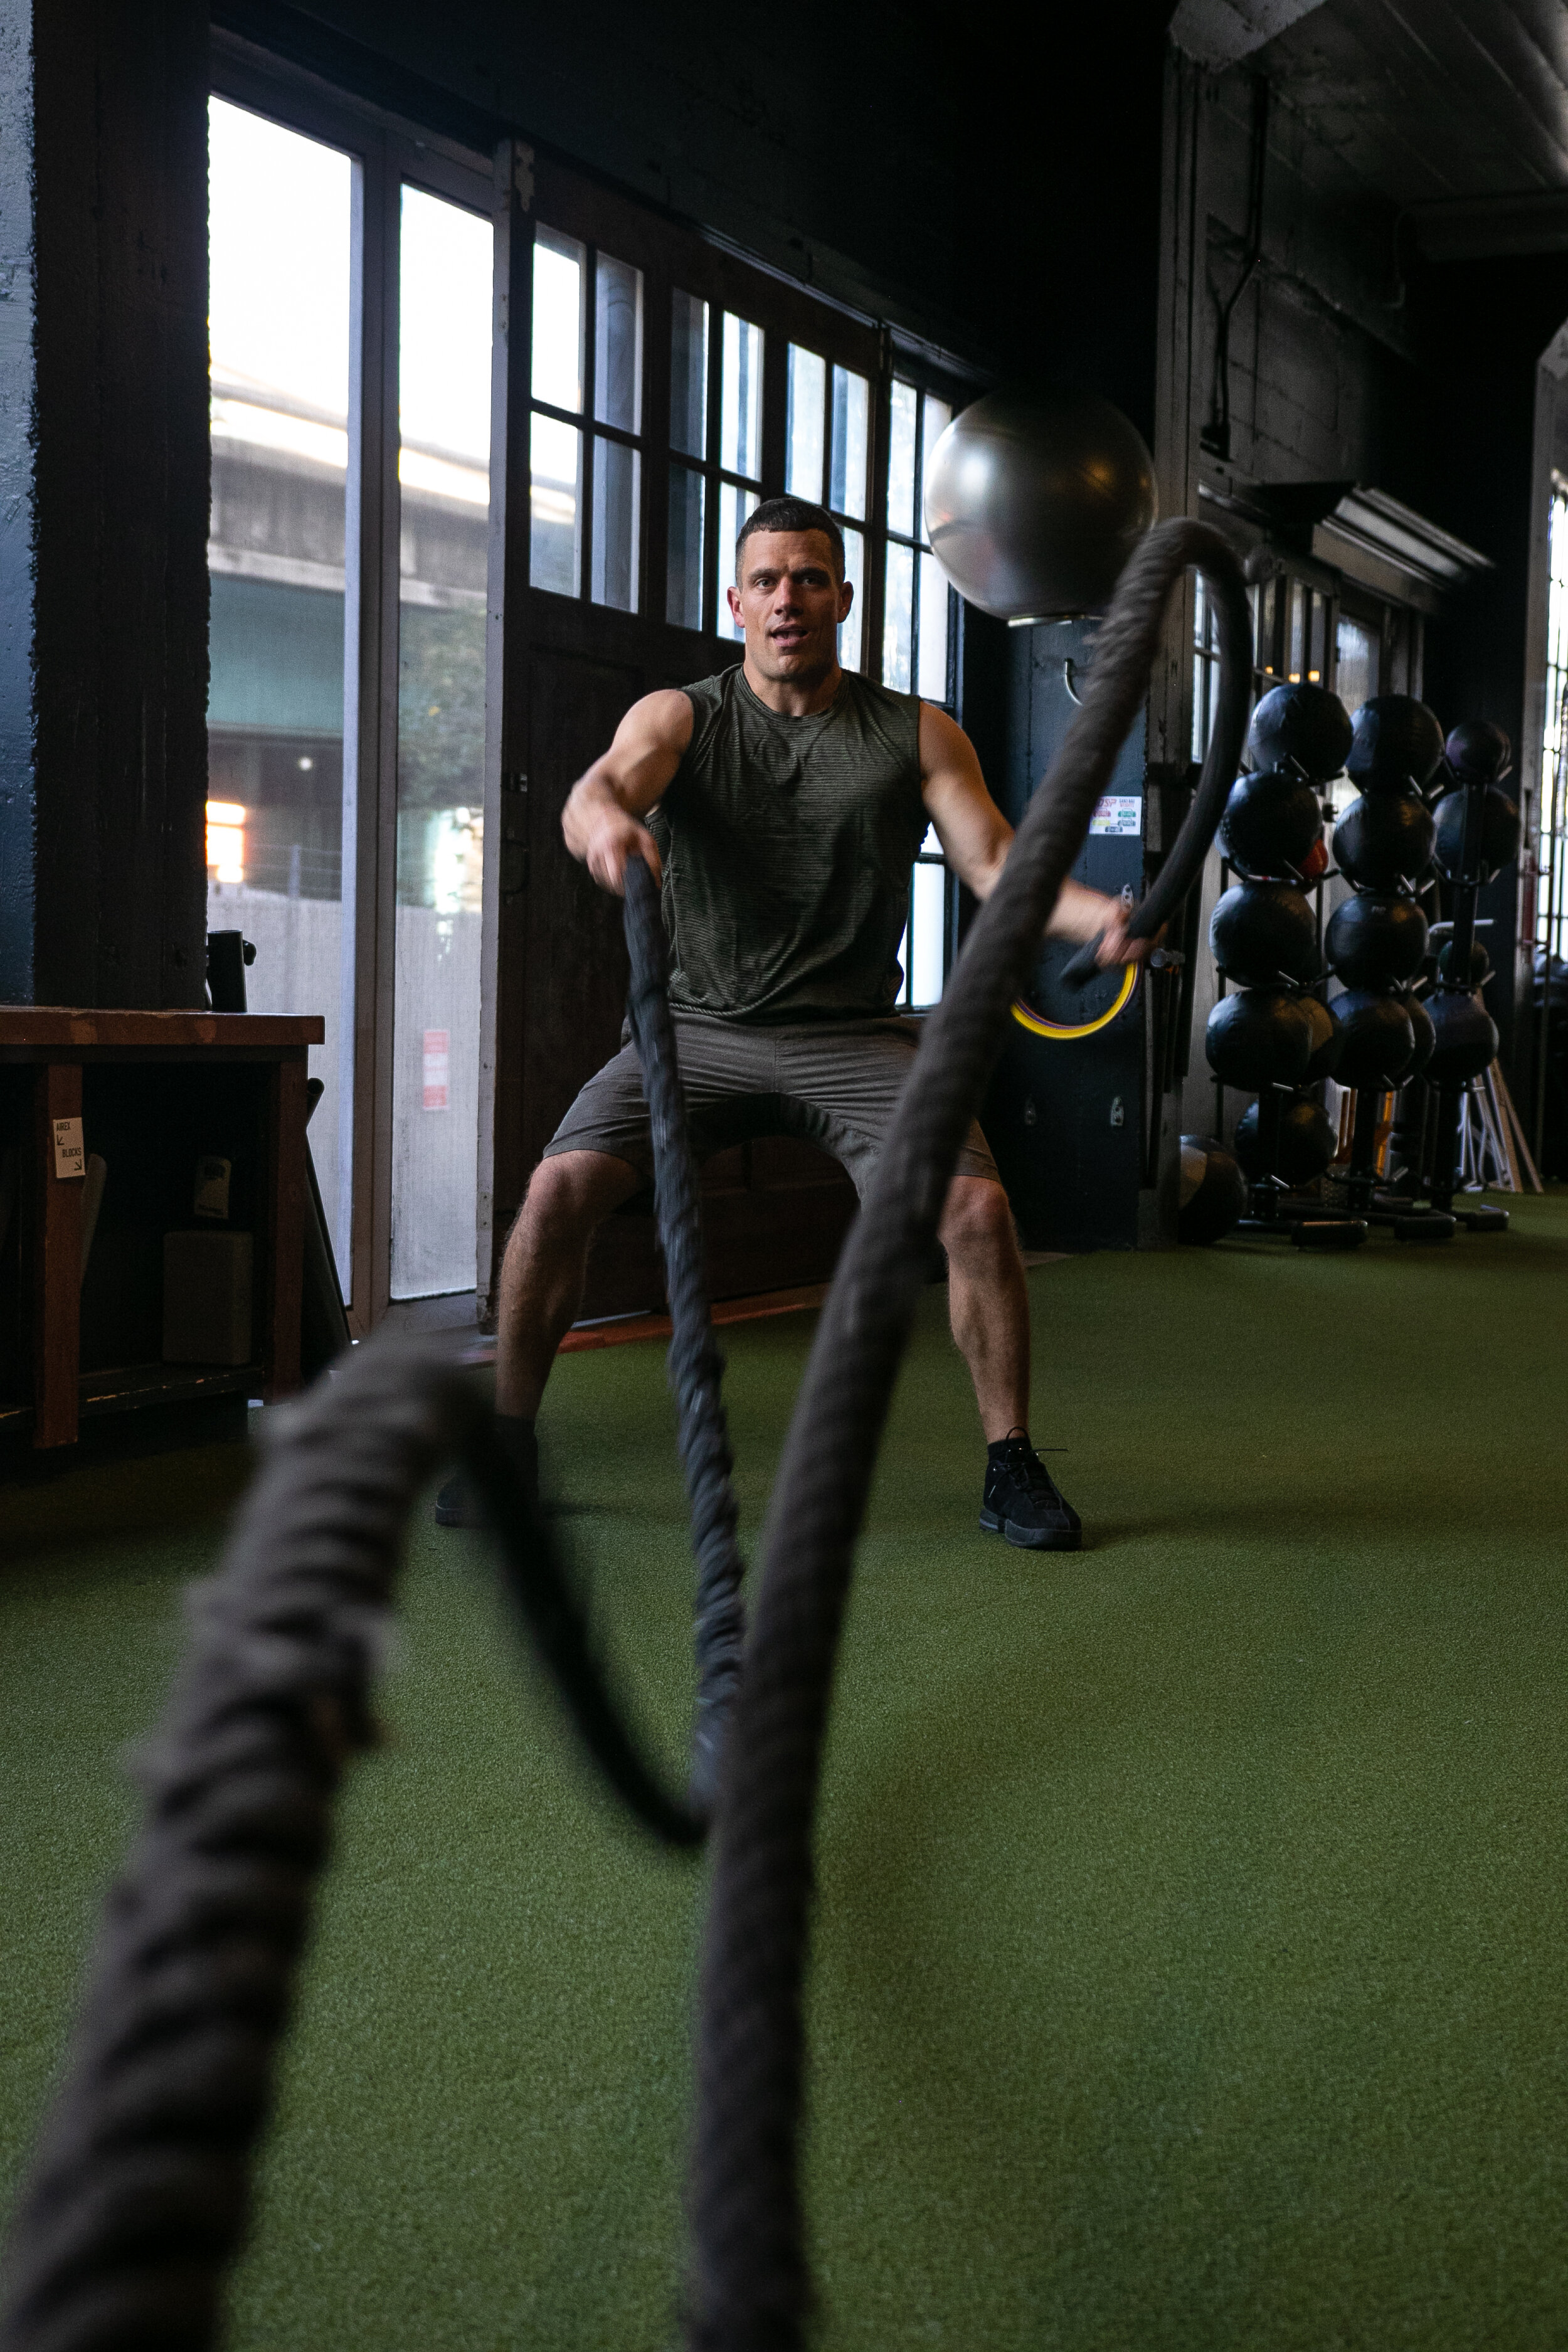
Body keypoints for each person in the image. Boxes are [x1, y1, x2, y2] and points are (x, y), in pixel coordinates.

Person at [439, 495, 1147, 1549]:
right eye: (766, 582)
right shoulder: (684, 716)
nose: (787, 601)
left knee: (979, 1214)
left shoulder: (913, 731)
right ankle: (509, 1437)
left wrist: (1100, 916)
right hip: (697, 1029)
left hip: (856, 1037)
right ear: (736, 602)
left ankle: (1012, 1461)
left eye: (809, 579)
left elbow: (999, 866)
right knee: (555, 1191)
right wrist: (602, 828)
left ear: (843, 599)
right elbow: (601, 788)